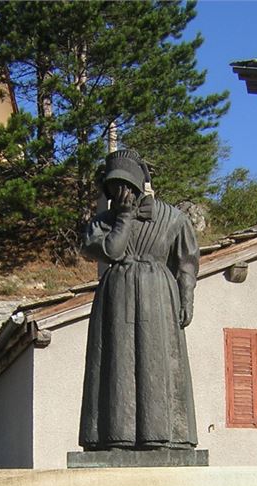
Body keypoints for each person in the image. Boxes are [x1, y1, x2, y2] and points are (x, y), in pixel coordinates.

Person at [79, 149, 199, 451]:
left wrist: (187, 298)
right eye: (114, 187)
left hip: (158, 296)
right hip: (116, 297)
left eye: (126, 185)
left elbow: (187, 262)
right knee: (116, 362)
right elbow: (112, 252)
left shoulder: (174, 218)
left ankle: (164, 435)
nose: (121, 192)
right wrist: (123, 218)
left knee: (157, 361)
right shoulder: (101, 223)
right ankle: (113, 435)